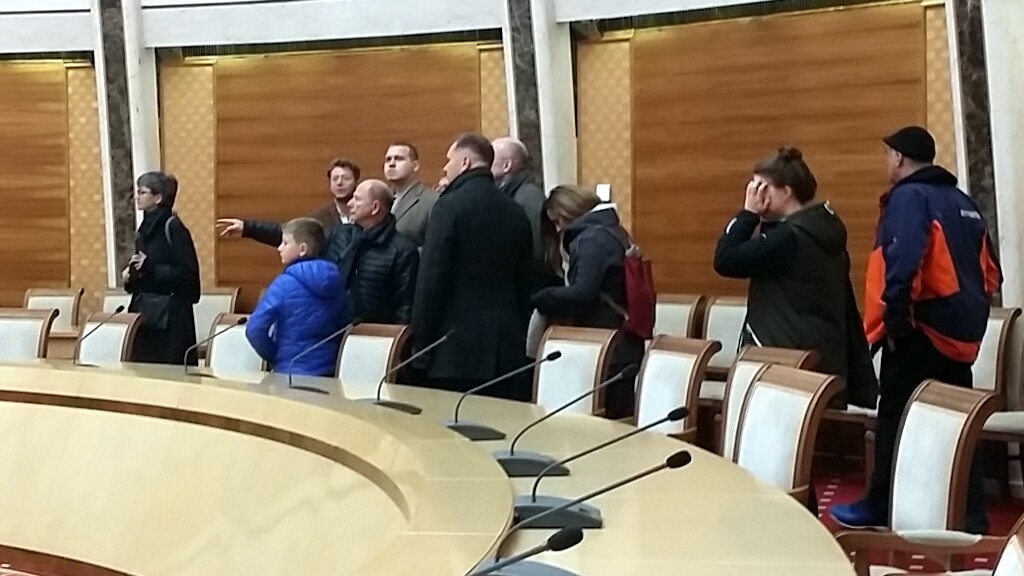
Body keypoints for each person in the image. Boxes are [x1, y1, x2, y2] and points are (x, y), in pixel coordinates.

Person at [830, 126, 1002, 534]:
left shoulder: (909, 198)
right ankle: (970, 515)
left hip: (918, 332)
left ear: (899, 158)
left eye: (887, 155)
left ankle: (879, 505)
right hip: (961, 338)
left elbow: (903, 260)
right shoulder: (963, 202)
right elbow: (992, 275)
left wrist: (897, 324)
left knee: (895, 420)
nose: (885, 162)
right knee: (958, 425)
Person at [713, 147, 877, 409]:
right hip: (821, 359)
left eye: (761, 187)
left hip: (786, 365)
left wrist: (748, 214)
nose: (755, 195)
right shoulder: (820, 228)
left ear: (786, 191)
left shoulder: (789, 239)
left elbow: (725, 259)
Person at [412, 133, 534, 401]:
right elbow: (526, 282)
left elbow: (431, 280)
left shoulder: (448, 207)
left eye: (449, 160)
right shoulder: (516, 211)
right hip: (506, 351)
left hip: (453, 351)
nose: (446, 167)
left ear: (465, 162)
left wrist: (420, 344)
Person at [530, 186, 644, 419]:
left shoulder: (592, 239)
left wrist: (541, 297)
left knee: (601, 424)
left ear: (570, 210)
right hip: (623, 342)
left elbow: (583, 293)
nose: (558, 229)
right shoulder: (613, 231)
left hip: (606, 347)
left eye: (558, 221)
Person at [245, 218, 350, 376]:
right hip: (330, 373)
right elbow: (344, 324)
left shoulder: (283, 284)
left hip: (289, 372)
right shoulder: (337, 280)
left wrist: (274, 355)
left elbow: (254, 329)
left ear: (302, 249)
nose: (279, 248)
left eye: (285, 243)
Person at [123, 171, 201, 365]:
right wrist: (130, 276)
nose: (137, 197)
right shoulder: (144, 229)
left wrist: (151, 267)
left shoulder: (173, 227)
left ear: (158, 198)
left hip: (171, 321)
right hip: (144, 317)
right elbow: (144, 272)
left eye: (142, 192)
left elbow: (189, 275)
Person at [330, 179, 419, 324]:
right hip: (341, 328)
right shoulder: (346, 238)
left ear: (375, 207)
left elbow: (405, 306)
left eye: (357, 199)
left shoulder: (403, 250)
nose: (350, 203)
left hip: (378, 331)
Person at [214, 157, 360, 244]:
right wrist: (247, 228)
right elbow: (286, 233)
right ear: (330, 184)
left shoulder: (366, 215)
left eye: (346, 178)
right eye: (335, 179)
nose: (340, 183)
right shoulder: (319, 219)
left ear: (355, 181)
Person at [492, 137, 546, 266]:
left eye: (491, 159)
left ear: (506, 165)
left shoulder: (529, 196)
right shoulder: (511, 192)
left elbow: (537, 247)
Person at [384, 142, 438, 246]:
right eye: (388, 159)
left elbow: (434, 246)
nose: (391, 164)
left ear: (415, 166)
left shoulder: (432, 200)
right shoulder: (380, 199)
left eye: (399, 159)